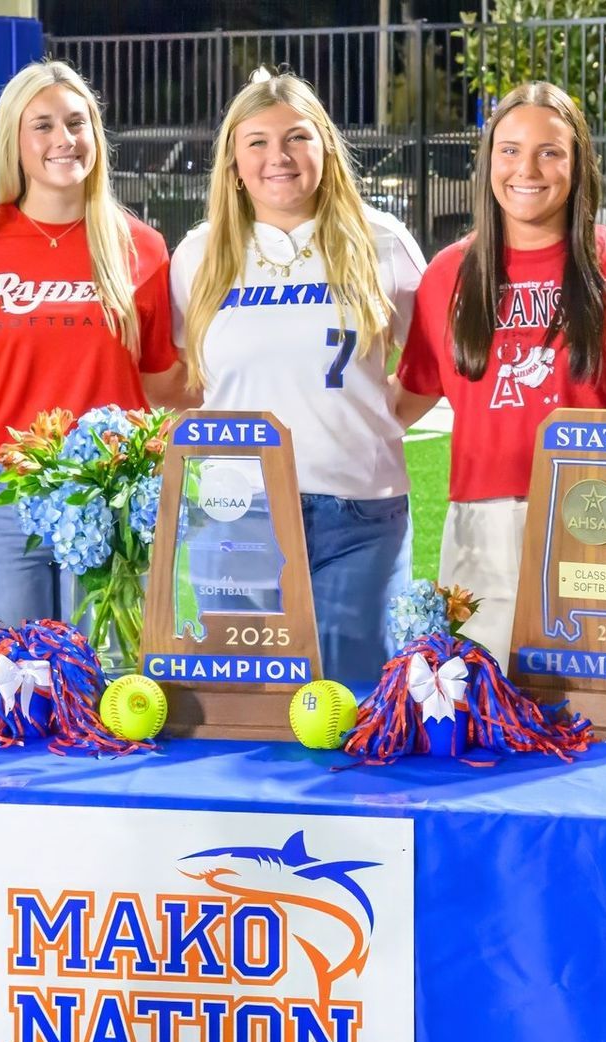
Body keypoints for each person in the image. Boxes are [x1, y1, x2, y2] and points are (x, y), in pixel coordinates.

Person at [169, 70, 426, 684]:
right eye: (256, 141)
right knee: (246, 704)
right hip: (237, 511)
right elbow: (186, 383)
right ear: (232, 159)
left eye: (296, 137)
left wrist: (367, 426)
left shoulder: (382, 241)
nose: (276, 157)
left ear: (326, 148)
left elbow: (429, 370)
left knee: (352, 704)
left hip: (359, 514)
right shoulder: (198, 255)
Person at [395, 81, 606, 662]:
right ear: (486, 162)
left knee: (594, 718)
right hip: (479, 524)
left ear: (579, 162)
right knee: (485, 712)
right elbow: (403, 398)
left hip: (596, 518)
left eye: (550, 151)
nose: (526, 169)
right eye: (509, 150)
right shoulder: (447, 274)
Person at [0, 61, 181, 628]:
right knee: (14, 671)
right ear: (14, 141)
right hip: (0, 488)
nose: (63, 140)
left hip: (111, 491)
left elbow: (161, 377)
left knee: (104, 682)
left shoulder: (141, 247)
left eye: (76, 122)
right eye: (42, 125)